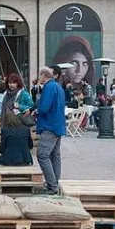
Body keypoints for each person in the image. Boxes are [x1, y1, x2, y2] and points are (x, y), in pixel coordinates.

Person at [32, 66, 66, 194]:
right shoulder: (58, 86)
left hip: (49, 126)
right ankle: (55, 182)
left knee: (42, 155)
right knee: (55, 155)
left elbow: (45, 107)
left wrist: (36, 111)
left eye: (40, 75)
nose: (39, 78)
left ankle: (52, 186)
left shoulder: (49, 87)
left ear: (43, 75)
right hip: (58, 125)